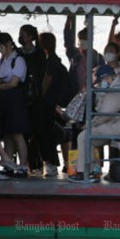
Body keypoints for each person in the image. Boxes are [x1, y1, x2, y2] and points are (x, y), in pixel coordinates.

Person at [68, 65, 120, 183]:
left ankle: (84, 173)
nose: (101, 84)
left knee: (84, 136)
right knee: (89, 139)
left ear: (107, 78)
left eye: (102, 81)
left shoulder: (117, 90)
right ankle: (92, 172)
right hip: (118, 124)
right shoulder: (116, 87)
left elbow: (104, 114)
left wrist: (89, 125)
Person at [0, 32, 30, 177]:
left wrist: (0, 86)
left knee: (17, 133)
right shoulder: (3, 60)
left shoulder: (18, 60)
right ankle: (8, 165)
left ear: (8, 44)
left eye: (1, 46)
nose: (0, 49)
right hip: (4, 100)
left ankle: (23, 166)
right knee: (8, 133)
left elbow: (14, 82)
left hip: (16, 100)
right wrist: (0, 84)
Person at [38, 32, 72, 178]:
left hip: (50, 105)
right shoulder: (55, 62)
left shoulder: (51, 63)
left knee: (46, 133)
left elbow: (46, 85)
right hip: (57, 105)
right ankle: (65, 164)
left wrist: (38, 98)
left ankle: (51, 164)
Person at [19, 24, 47, 174]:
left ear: (30, 36)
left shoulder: (39, 54)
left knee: (36, 132)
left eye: (23, 34)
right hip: (21, 97)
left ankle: (36, 163)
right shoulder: (18, 53)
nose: (21, 37)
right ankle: (23, 163)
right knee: (22, 132)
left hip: (35, 98)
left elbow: (42, 74)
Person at [64, 15, 104, 94]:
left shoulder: (97, 57)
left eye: (85, 39)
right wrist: (68, 22)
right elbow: (68, 41)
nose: (82, 41)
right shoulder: (75, 54)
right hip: (75, 92)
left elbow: (102, 76)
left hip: (92, 93)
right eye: (80, 39)